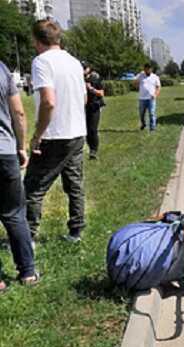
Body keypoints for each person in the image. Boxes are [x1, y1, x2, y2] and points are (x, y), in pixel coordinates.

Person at [24, 19, 87, 243]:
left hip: (55, 135)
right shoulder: (74, 62)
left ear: (36, 39)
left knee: (33, 189)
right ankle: (76, 231)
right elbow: (85, 97)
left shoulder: (41, 62)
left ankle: (28, 237)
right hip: (77, 132)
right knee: (74, 185)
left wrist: (37, 136)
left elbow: (48, 102)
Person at [0, 60, 40, 292]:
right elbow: (18, 111)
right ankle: (27, 272)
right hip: (5, 151)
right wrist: (22, 146)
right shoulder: (3, 70)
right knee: (15, 213)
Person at [83, 62, 105, 160]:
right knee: (86, 130)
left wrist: (91, 89)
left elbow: (101, 93)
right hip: (84, 107)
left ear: (89, 68)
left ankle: (94, 151)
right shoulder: (79, 78)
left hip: (94, 106)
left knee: (93, 129)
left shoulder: (96, 78)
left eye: (84, 68)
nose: (82, 70)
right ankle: (90, 148)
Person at [135, 63, 161, 132]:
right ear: (144, 69)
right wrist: (138, 77)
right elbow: (135, 84)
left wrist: (155, 95)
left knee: (152, 113)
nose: (147, 70)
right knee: (141, 114)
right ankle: (143, 124)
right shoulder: (140, 75)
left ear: (151, 69)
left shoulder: (155, 77)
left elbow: (158, 88)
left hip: (151, 98)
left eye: (149, 68)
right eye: (146, 68)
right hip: (142, 98)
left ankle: (152, 128)